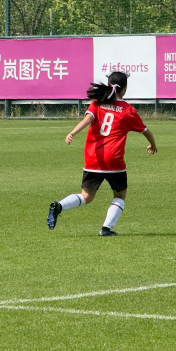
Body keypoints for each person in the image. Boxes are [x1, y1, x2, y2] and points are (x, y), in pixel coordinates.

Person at [46, 71, 158, 236]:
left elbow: (88, 120)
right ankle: (106, 229)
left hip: (93, 158)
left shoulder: (97, 103)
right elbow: (146, 131)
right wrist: (152, 145)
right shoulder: (128, 111)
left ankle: (59, 206)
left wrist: (73, 132)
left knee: (86, 196)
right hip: (114, 160)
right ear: (125, 89)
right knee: (120, 195)